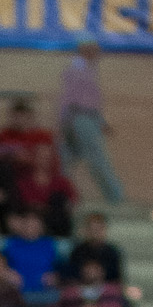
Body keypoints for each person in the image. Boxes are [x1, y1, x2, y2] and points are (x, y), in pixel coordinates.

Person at [56, 41, 121, 208]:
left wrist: (101, 122)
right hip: (81, 120)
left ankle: (62, 196)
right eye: (94, 50)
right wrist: (66, 123)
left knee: (67, 159)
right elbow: (71, 99)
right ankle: (116, 199)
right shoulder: (78, 68)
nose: (98, 53)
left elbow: (87, 101)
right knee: (97, 160)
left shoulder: (87, 69)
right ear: (85, 50)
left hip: (81, 119)